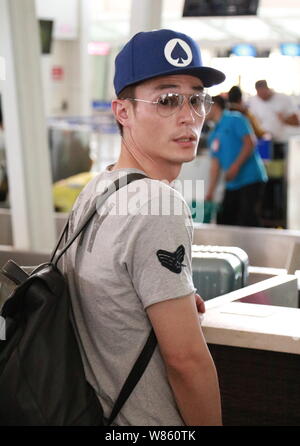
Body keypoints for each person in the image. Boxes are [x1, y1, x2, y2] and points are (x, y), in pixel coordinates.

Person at [63, 29, 224, 426]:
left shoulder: (98, 188)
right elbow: (186, 361)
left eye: (198, 98)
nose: (189, 116)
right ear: (123, 112)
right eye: (168, 100)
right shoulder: (159, 203)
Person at [205, 95, 268, 227]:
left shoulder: (235, 119)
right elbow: (215, 166)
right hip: (232, 184)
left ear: (214, 105)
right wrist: (210, 192)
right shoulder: (213, 134)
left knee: (248, 218)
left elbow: (250, 143)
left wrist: (235, 167)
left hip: (250, 179)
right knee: (225, 219)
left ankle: (255, 247)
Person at [248, 80, 300, 156]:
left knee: (281, 165)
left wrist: (284, 119)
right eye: (259, 94)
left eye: (263, 93)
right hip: (265, 141)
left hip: (283, 142)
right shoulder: (254, 101)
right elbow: (254, 121)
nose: (262, 97)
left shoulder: (283, 99)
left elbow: (297, 122)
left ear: (267, 89)